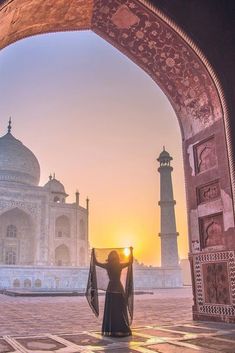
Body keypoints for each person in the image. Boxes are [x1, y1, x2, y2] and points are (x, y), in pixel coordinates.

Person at [94, 249, 133, 337]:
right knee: (120, 310)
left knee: (111, 311)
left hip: (111, 288)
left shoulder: (108, 265)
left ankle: (113, 329)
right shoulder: (119, 265)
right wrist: (131, 251)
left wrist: (93, 254)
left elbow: (96, 263)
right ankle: (121, 329)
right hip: (118, 288)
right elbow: (130, 262)